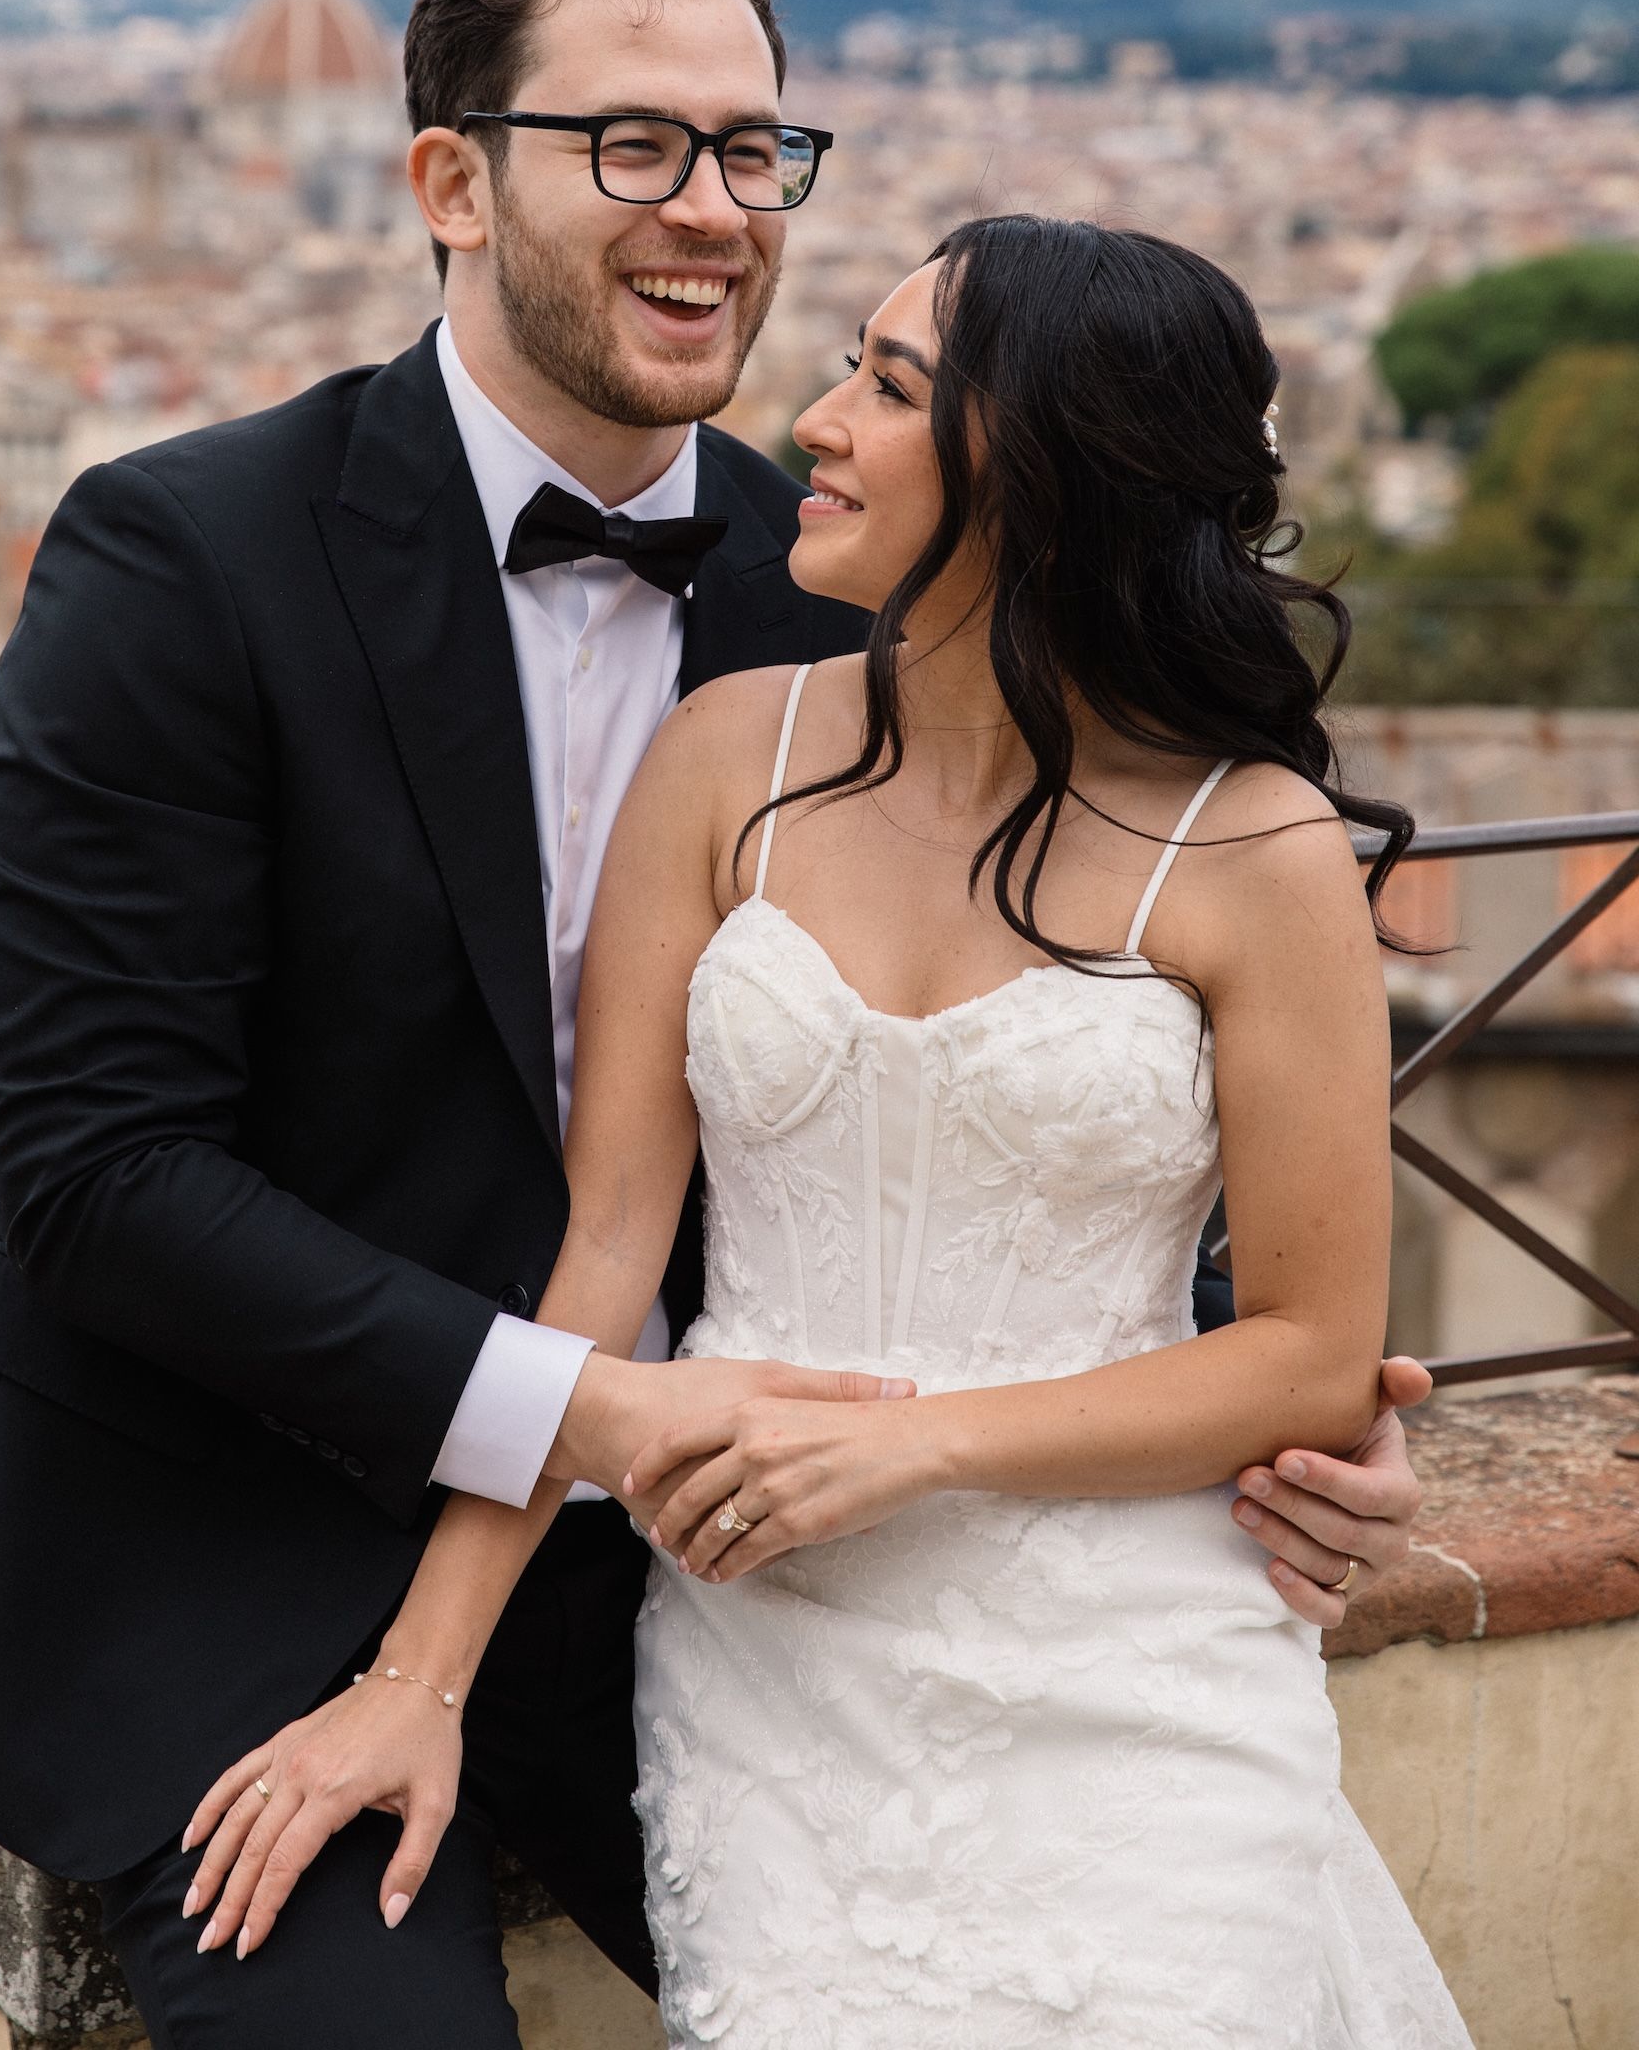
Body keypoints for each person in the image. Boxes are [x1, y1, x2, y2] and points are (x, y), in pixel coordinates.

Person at [0, 0, 1425, 2048]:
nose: (716, 208)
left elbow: (1022, 1034)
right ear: (448, 184)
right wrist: (608, 1408)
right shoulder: (183, 556)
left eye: (753, 148)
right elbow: (99, 1180)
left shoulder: (856, 568)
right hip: (214, 1537)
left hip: (711, 1556)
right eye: (634, 145)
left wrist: (1272, 1401)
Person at [183, 214, 1466, 2049]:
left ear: (1043, 471)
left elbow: (1314, 1349)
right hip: (768, 1672)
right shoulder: (726, 758)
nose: (812, 417)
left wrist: (920, 1452)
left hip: (1137, 1675)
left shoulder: (1254, 851)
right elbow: (602, 1268)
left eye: (885, 386)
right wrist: (421, 1676)